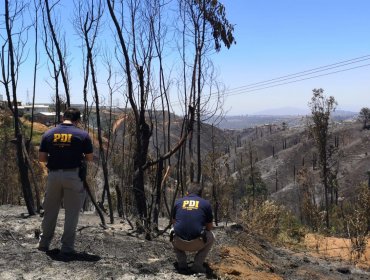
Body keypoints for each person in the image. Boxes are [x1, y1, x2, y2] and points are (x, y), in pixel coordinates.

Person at [37, 107, 93, 256]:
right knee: (72, 213)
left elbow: (42, 158)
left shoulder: (48, 133)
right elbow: (89, 158)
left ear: (63, 118)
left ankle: (43, 244)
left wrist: (56, 160)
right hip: (73, 176)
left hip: (54, 175)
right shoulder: (82, 135)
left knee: (50, 211)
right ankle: (67, 247)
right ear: (78, 120)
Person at [171, 182, 215, 274]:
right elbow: (209, 227)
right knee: (211, 236)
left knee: (171, 231)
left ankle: (182, 264)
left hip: (179, 243)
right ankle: (197, 265)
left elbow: (174, 223)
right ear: (200, 193)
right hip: (197, 244)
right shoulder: (206, 204)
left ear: (187, 192)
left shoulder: (178, 202)